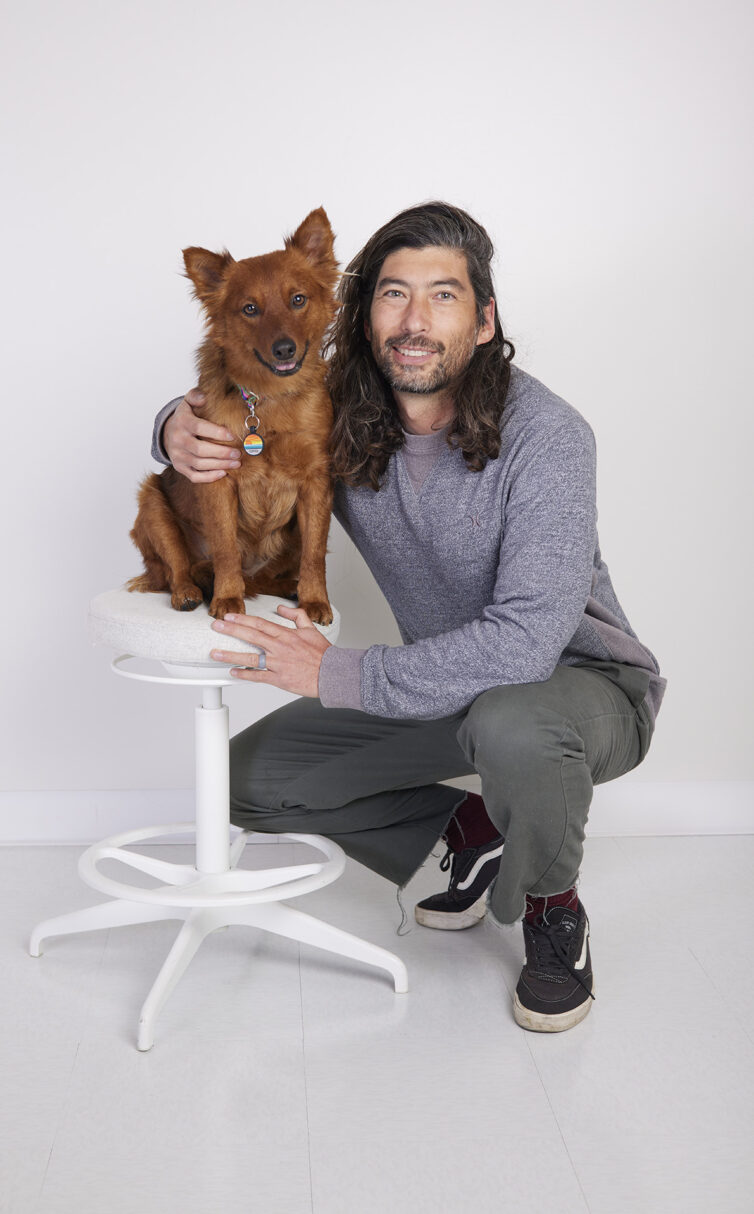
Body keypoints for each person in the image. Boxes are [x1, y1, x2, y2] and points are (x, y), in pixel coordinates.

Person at [150, 201, 666, 1033]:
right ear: (359, 316)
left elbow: (529, 641)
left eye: (444, 295)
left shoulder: (550, 436)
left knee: (514, 724)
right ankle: (469, 830)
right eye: (393, 294)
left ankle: (551, 907)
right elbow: (247, 417)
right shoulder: (343, 422)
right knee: (252, 781)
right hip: (452, 686)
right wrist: (173, 426)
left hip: (580, 686)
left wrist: (334, 672)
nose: (415, 321)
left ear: (486, 318)